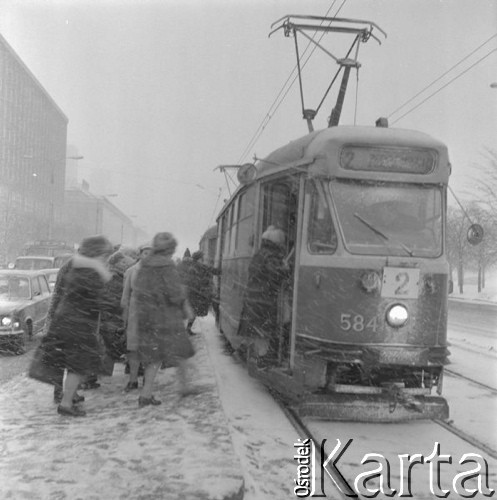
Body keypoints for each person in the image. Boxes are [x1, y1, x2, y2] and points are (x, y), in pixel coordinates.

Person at [42, 235, 114, 417]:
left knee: (72, 362)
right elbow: (91, 298)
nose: (107, 258)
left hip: (71, 320)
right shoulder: (88, 270)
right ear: (97, 252)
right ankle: (66, 403)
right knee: (76, 364)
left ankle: (70, 395)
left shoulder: (79, 266)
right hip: (77, 322)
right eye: (105, 254)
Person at [133, 232, 196, 407]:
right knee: (182, 351)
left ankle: (145, 394)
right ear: (170, 249)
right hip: (167, 317)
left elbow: (138, 290)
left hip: (147, 316)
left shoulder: (144, 266)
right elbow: (175, 293)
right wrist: (183, 302)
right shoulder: (167, 266)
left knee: (154, 357)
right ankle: (184, 386)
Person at [238, 226, 289, 365]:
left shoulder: (260, 254)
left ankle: (246, 350)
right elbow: (276, 275)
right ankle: (262, 361)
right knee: (263, 334)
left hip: (254, 299)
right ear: (277, 242)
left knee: (256, 332)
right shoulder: (272, 257)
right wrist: (285, 269)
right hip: (263, 301)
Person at [42, 257, 84, 405]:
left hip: (63, 321)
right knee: (71, 359)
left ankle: (66, 392)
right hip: (69, 322)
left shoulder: (67, 270)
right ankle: (64, 394)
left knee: (63, 359)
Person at [120, 242, 152, 391]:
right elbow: (125, 295)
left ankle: (148, 379)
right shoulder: (131, 271)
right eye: (145, 253)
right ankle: (133, 380)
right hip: (135, 316)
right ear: (140, 254)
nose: (148, 256)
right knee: (133, 349)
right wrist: (124, 317)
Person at [99, 248, 137, 373]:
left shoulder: (110, 277)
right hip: (113, 319)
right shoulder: (116, 280)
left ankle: (101, 375)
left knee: (108, 347)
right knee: (111, 348)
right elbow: (119, 301)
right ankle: (103, 375)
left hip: (108, 319)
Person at [184, 251, 216, 335]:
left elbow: (213, 270)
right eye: (203, 258)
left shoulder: (200, 267)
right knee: (193, 312)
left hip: (197, 293)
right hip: (195, 294)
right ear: (199, 259)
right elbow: (193, 282)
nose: (204, 259)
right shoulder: (194, 268)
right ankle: (187, 329)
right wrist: (204, 283)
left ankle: (188, 328)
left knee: (194, 312)